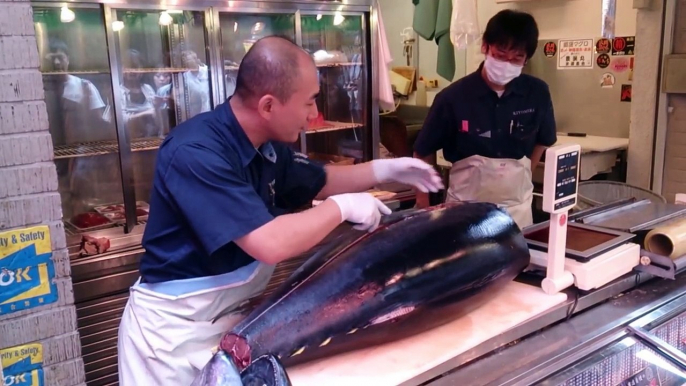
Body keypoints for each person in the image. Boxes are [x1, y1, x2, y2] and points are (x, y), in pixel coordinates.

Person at [117, 36, 443, 386]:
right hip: (171, 338)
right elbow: (268, 243)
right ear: (269, 105)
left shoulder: (264, 143)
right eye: (309, 102)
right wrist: (342, 207)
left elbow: (320, 179)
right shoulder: (196, 152)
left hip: (226, 323)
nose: (314, 115)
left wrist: (386, 170)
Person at [413, 10, 556, 229]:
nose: (507, 62)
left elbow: (544, 139)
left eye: (516, 57)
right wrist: (423, 203)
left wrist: (523, 173)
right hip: (464, 211)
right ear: (485, 47)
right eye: (500, 54)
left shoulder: (537, 93)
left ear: (526, 59)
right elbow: (423, 151)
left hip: (517, 211)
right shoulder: (453, 98)